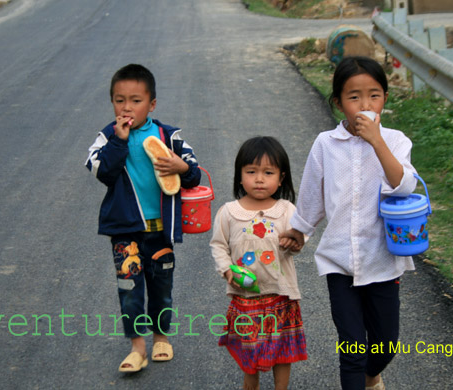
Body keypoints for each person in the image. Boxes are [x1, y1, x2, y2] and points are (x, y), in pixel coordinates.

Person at [281, 56, 419, 390]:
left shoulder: (396, 141)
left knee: (386, 344)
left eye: (374, 94)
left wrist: (377, 141)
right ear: (338, 102)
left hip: (383, 260)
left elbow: (403, 184)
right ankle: (360, 375)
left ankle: (373, 375)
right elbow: (313, 194)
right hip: (339, 261)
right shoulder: (325, 144)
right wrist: (300, 230)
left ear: (385, 97)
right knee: (353, 349)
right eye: (354, 96)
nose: (365, 104)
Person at [85, 64, 201, 373]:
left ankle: (161, 336)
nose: (126, 107)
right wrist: (118, 141)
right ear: (112, 103)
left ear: (151, 105)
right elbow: (102, 172)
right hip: (126, 231)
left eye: (135, 100)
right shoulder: (107, 137)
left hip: (160, 230)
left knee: (161, 287)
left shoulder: (169, 135)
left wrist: (181, 167)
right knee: (129, 289)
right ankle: (137, 347)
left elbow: (194, 173)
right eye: (119, 100)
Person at [210, 136, 307, 390]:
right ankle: (249, 386)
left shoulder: (287, 210)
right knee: (249, 350)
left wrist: (296, 241)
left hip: (281, 295)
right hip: (246, 298)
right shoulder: (229, 212)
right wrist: (226, 269)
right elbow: (219, 245)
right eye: (251, 172)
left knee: (283, 348)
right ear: (240, 176)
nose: (259, 179)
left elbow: (301, 234)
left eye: (268, 172)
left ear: (281, 177)